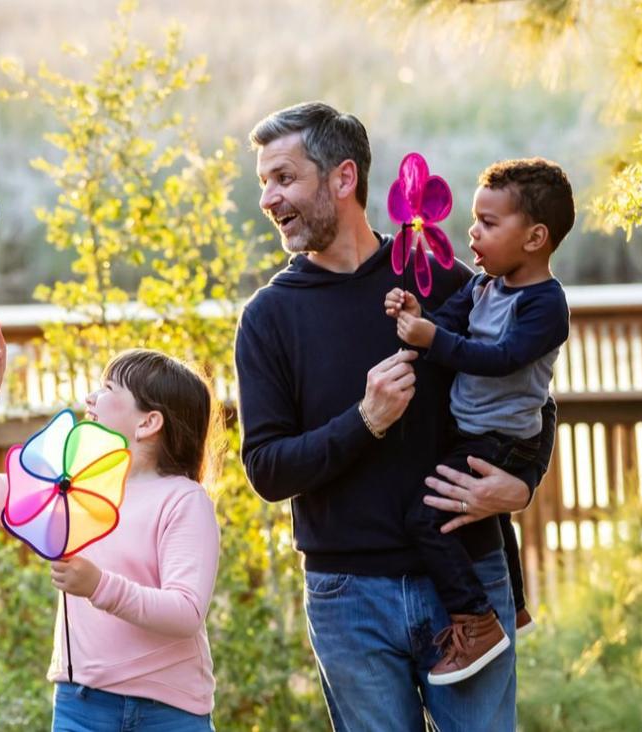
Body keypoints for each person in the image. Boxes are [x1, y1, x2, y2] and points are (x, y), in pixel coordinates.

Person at [235, 101, 549, 730]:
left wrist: (524, 483)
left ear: (343, 178)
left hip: (468, 581)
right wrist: (366, 419)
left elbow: (532, 390)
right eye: (264, 181)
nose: (269, 198)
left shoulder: (442, 279)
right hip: (348, 598)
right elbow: (267, 470)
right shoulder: (268, 318)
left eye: (285, 177)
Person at [0, 322, 222, 731]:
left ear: (148, 423)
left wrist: (98, 585)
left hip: (169, 711)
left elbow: (185, 611)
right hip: (82, 705)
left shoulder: (184, 500)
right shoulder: (66, 484)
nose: (90, 397)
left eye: (108, 389)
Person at [382, 157, 573, 685]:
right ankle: (513, 607)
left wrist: (435, 342)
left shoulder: (545, 305)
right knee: (491, 519)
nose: (472, 232)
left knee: (425, 518)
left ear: (535, 238)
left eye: (489, 223)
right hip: (476, 431)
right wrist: (415, 319)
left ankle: (477, 620)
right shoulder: (486, 285)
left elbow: (500, 357)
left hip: (507, 441)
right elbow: (447, 324)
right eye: (474, 219)